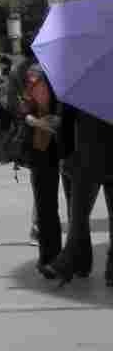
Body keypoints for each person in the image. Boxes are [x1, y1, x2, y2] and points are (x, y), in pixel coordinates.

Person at [50, 102, 113, 288]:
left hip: (87, 159)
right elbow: (65, 124)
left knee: (78, 216)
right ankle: (70, 263)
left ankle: (69, 263)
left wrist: (64, 156)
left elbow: (64, 125)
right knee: (78, 215)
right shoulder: (80, 93)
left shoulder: (80, 91)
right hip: (87, 160)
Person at [16, 62, 67, 277]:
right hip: (54, 149)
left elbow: (24, 112)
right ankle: (67, 259)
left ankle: (52, 258)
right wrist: (39, 123)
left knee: (49, 207)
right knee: (63, 208)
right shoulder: (70, 77)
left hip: (55, 149)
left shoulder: (40, 79)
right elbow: (24, 112)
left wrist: (47, 121)